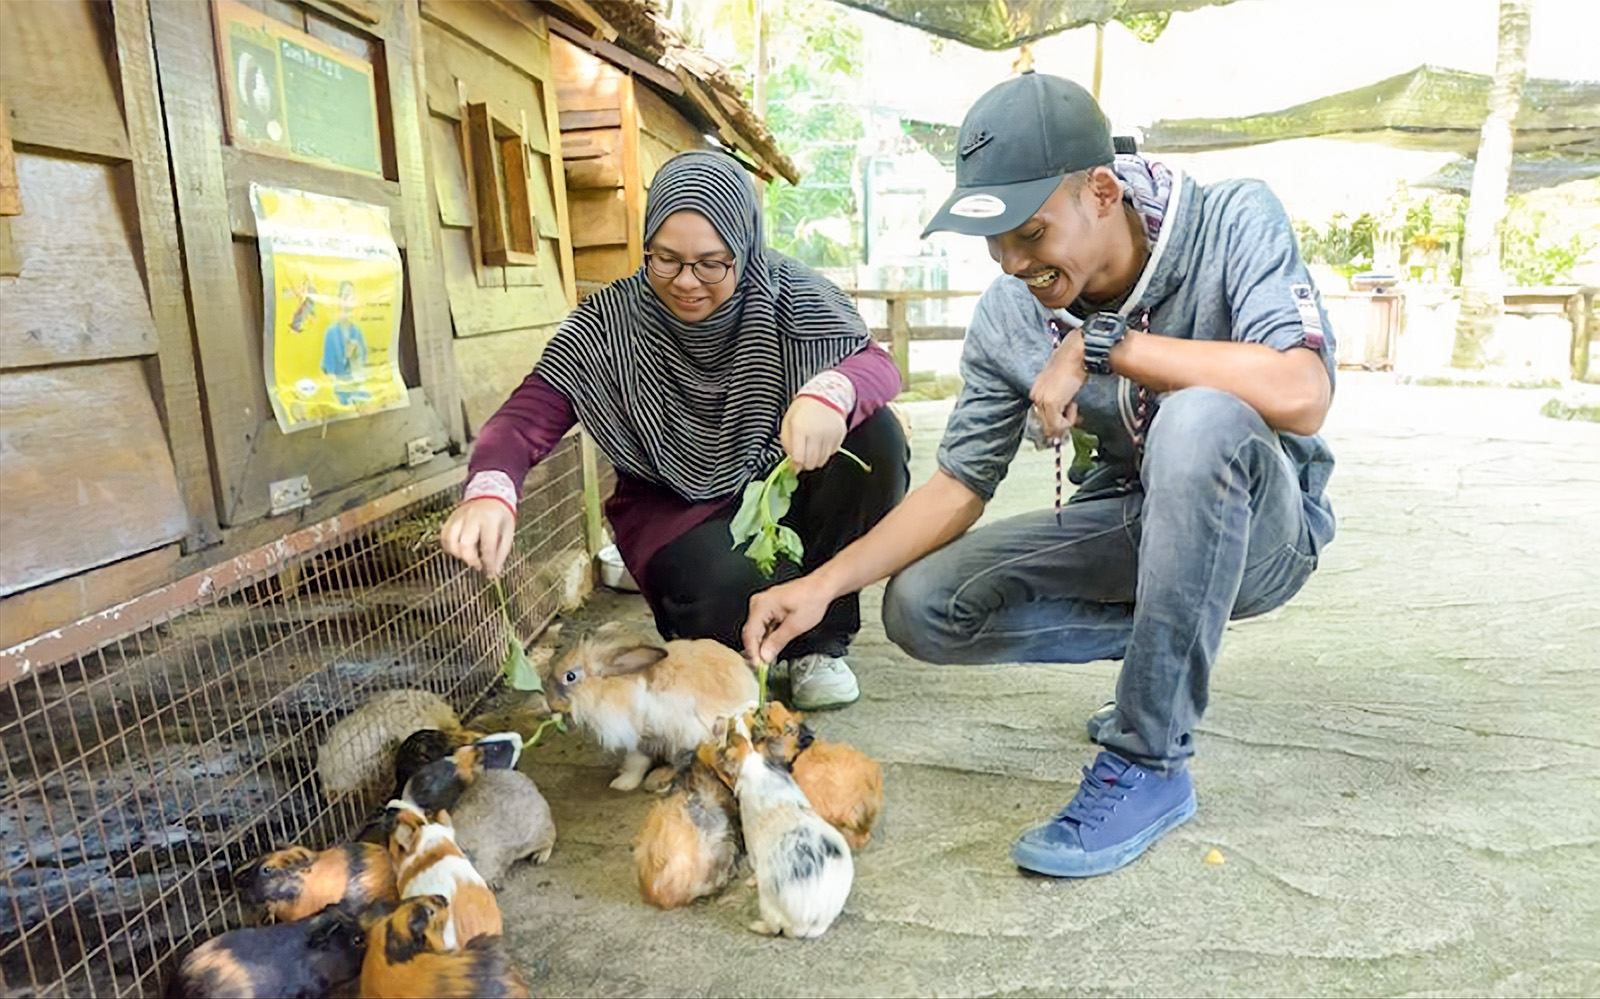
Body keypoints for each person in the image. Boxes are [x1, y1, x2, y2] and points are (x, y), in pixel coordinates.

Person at [743, 72, 1337, 877]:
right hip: (1128, 517)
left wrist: (1105, 345)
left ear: (1101, 190)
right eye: (996, 243)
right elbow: (958, 485)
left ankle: (1150, 756)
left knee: (1200, 416)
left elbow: (1301, 392)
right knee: (923, 607)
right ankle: (1170, 639)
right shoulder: (1009, 313)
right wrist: (821, 585)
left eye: (1030, 233)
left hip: (1265, 529)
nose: (1013, 262)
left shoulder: (1233, 217)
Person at [442, 150, 908, 711]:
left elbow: (875, 367)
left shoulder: (794, 297)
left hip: (773, 483)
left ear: (746, 250)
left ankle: (821, 643)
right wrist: (491, 488)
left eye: (712, 263)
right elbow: (529, 412)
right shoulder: (608, 325)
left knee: (875, 438)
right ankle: (727, 662)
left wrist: (828, 393)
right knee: (721, 588)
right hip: (678, 506)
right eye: (665, 259)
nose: (686, 283)